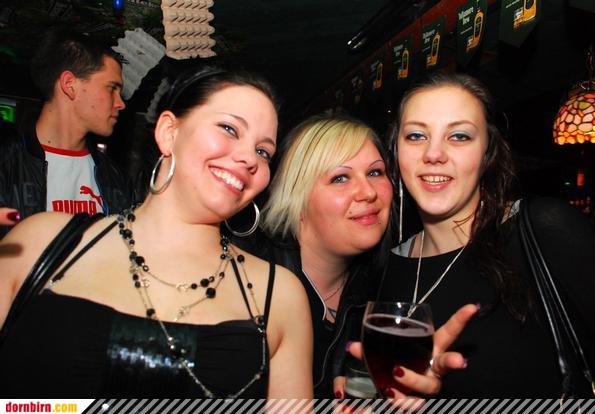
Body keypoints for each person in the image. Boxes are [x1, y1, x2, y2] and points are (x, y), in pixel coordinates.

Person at [0, 68, 313, 398]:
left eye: (263, 152)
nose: (250, 158)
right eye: (229, 129)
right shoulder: (39, 241)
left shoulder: (280, 295)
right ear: (168, 132)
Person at [359, 71, 595, 398]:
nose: (434, 154)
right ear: (396, 151)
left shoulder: (546, 229)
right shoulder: (385, 265)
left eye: (459, 136)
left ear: (487, 154)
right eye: (416, 135)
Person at [254, 115, 393, 397]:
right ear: (297, 199)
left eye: (375, 172)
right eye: (340, 178)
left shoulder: (383, 286)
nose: (368, 192)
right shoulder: (254, 290)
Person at [0, 28, 132, 239]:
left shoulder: (115, 178)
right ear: (70, 85)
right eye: (111, 88)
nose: (120, 103)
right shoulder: (7, 166)